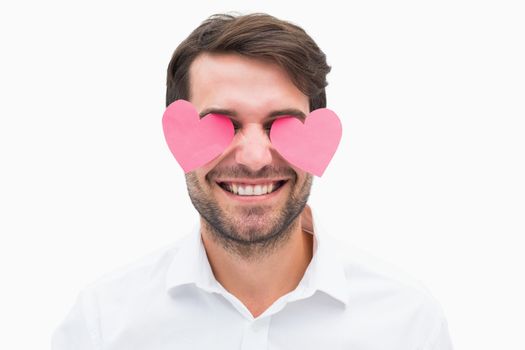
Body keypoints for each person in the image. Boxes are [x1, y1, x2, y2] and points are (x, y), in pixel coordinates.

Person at [52, 13, 453, 349]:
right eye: (221, 123)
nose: (255, 158)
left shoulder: (408, 325)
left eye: (282, 123)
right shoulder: (101, 325)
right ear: (178, 136)